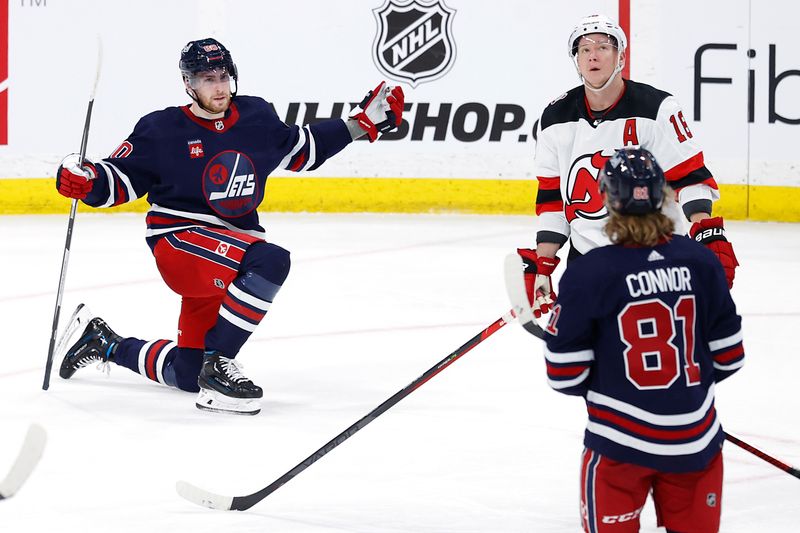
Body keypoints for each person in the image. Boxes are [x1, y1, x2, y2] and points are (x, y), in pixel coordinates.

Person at [55, 37, 404, 415]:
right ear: (189, 84)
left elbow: (301, 149)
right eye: (207, 78)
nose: (219, 86)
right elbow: (118, 179)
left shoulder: (255, 117)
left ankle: (105, 343)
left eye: (223, 75)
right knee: (270, 262)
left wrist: (360, 124)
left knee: (187, 373)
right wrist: (87, 180)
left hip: (230, 247)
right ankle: (218, 367)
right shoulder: (161, 129)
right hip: (180, 242)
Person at [538, 147, 744, 533]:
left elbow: (564, 376)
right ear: (663, 194)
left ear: (607, 200)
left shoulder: (590, 273)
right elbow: (730, 357)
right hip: (695, 444)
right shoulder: (701, 261)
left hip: (618, 449)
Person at [517, 14, 739, 319]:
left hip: (652, 255)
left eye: (603, 46)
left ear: (621, 56)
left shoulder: (657, 108)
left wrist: (706, 232)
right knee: (589, 357)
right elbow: (552, 197)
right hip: (586, 260)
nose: (593, 54)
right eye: (584, 49)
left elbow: (689, 177)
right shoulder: (555, 117)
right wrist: (544, 264)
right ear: (577, 60)